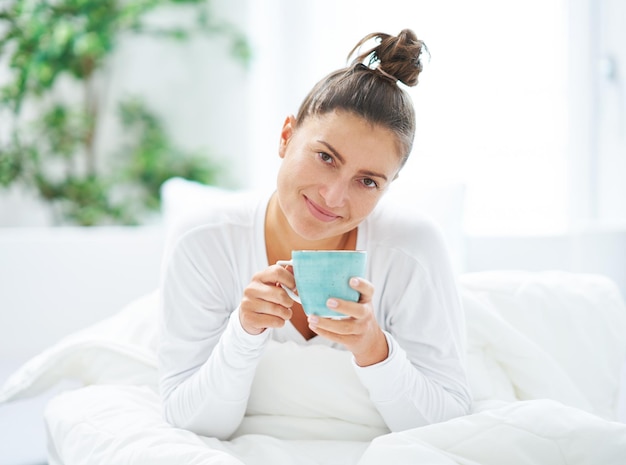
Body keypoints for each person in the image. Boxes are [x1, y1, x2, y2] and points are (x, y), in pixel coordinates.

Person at [158, 28, 472, 440]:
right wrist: (244, 331)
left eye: (368, 182)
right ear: (286, 136)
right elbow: (191, 422)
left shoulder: (412, 247)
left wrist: (374, 348)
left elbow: (448, 422)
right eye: (326, 157)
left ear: (389, 187)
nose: (334, 196)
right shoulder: (204, 239)